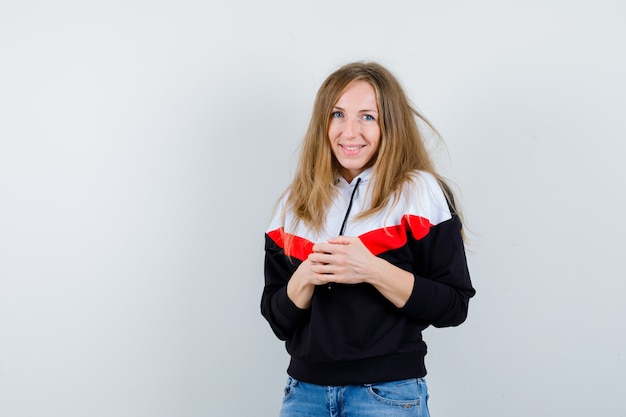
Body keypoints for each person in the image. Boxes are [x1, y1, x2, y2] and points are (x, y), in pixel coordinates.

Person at [261, 61, 475, 417]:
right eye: (338, 114)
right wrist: (305, 276)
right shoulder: (292, 204)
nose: (350, 131)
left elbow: (454, 306)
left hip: (386, 394)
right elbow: (278, 319)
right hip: (303, 394)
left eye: (367, 117)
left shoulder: (420, 192)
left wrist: (372, 270)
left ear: (389, 123)